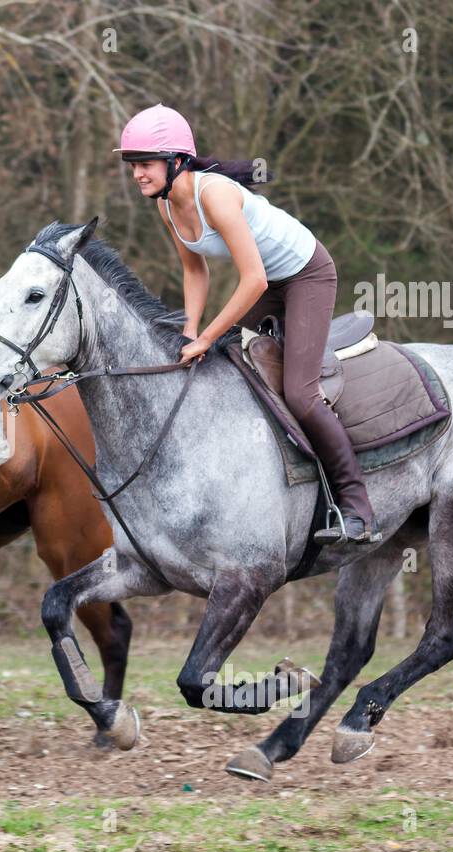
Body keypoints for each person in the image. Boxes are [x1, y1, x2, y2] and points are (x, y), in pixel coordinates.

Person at [116, 104, 381, 545]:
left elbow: (253, 279)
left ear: (176, 161)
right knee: (223, 363)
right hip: (267, 283)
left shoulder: (214, 195)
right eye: (133, 166)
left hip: (304, 276)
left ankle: (357, 508)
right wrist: (190, 332)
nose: (138, 174)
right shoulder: (167, 206)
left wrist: (205, 336)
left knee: (301, 392)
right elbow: (195, 272)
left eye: (144, 164)